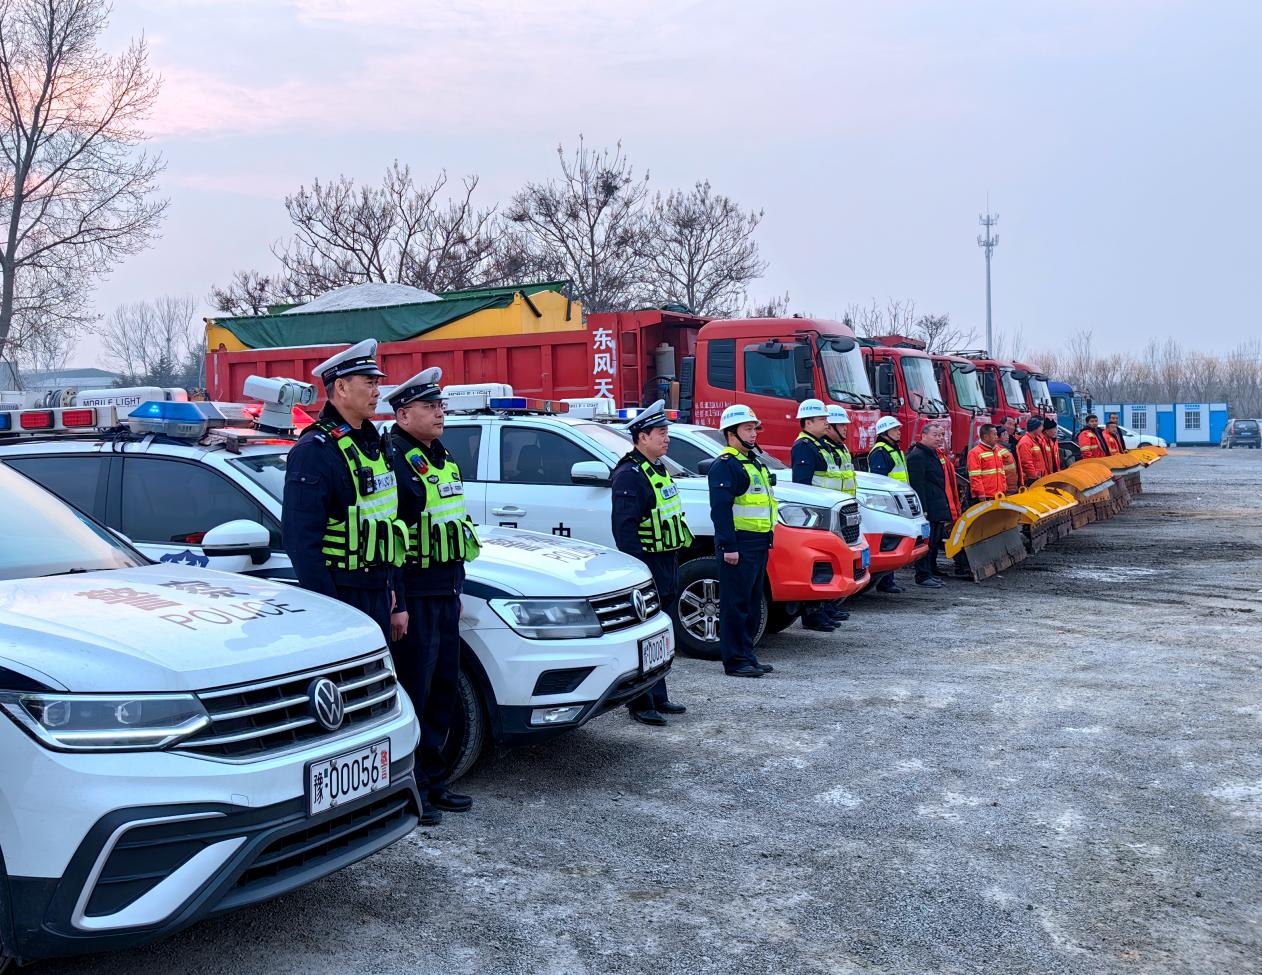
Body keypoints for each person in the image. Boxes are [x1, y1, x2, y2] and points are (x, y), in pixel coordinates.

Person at [385, 367, 479, 824]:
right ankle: (411, 790)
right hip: (416, 594)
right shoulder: (394, 459)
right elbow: (392, 538)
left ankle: (435, 781)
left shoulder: (442, 457)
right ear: (403, 415)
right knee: (415, 694)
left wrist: (457, 588)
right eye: (429, 406)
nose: (440, 412)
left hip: (444, 590)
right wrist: (398, 600)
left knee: (443, 690)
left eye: (440, 405)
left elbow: (454, 528)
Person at [282, 338, 406, 643]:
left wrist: (390, 589)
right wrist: (330, 609)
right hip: (342, 595)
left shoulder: (373, 443)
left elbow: (386, 525)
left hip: (377, 591)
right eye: (369, 382)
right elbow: (301, 542)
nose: (378, 391)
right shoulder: (315, 450)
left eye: (378, 383)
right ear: (341, 387)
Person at [610, 399, 690, 725]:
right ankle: (640, 703)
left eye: (667, 431)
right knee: (644, 636)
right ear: (642, 437)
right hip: (647, 566)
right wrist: (638, 572)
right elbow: (625, 530)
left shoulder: (657, 468)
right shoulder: (630, 474)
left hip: (666, 561)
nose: (666, 438)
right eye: (660, 432)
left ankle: (659, 695)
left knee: (661, 635)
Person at [708, 404, 776, 678]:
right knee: (735, 604)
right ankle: (735, 660)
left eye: (754, 428)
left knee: (750, 602)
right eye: (747, 429)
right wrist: (729, 546)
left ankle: (747, 655)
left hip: (758, 543)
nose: (753, 433)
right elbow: (721, 510)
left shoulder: (753, 462)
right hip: (740, 544)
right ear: (731, 432)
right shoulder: (726, 466)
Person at [790, 399, 851, 631]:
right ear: (808, 422)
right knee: (818, 566)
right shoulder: (804, 446)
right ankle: (813, 615)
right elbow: (803, 485)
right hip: (818, 515)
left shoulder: (819, 444)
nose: (827, 423)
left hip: (830, 512)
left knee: (830, 565)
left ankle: (825, 609)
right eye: (822, 419)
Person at [907, 423, 964, 587]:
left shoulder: (935, 455)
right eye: (935, 435)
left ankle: (932, 569)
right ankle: (923, 574)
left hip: (938, 505)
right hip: (928, 508)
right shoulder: (918, 456)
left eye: (941, 435)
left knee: (934, 541)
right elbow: (918, 485)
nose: (940, 438)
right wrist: (922, 510)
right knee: (926, 542)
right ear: (923, 435)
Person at [966, 424, 1007, 502]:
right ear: (985, 437)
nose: (997, 437)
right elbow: (975, 476)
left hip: (999, 495)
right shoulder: (975, 453)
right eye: (994, 434)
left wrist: (1004, 489)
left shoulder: (997, 450)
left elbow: (1001, 472)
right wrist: (981, 494)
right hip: (985, 497)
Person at [1016, 416, 1048, 486]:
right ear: (1035, 428)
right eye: (1041, 427)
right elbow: (1026, 462)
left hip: (1039, 477)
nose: (1042, 429)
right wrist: (1034, 477)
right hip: (1032, 480)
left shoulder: (1034, 440)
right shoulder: (1025, 442)